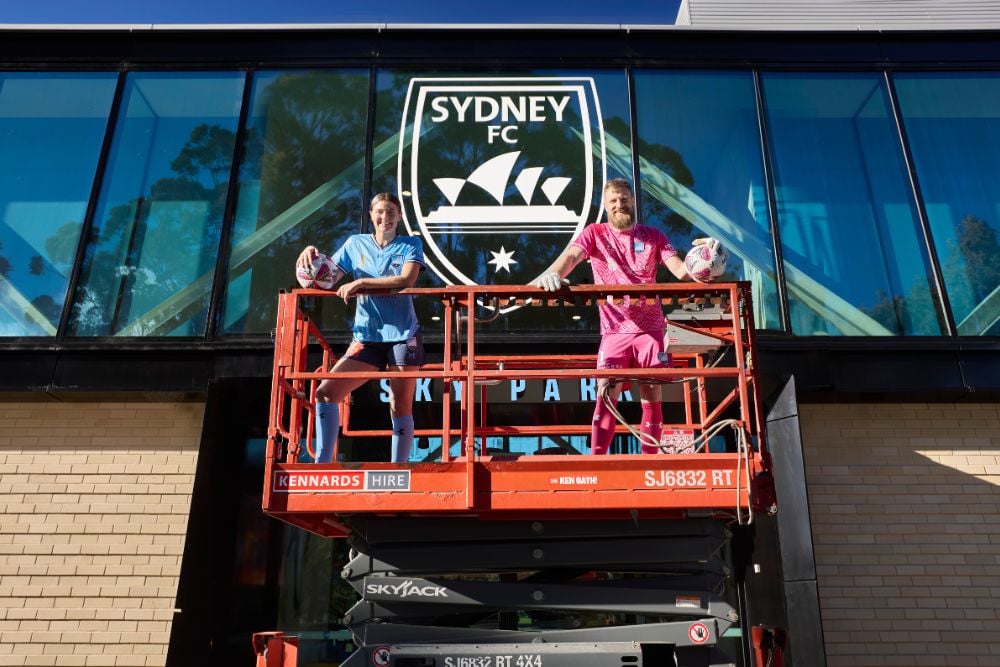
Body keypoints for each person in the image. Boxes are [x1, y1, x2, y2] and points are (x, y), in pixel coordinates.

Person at [533, 178, 708, 455]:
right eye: (613, 201)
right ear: (605, 206)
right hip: (614, 330)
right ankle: (598, 461)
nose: (619, 204)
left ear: (633, 201)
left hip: (650, 329)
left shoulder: (654, 235)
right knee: (606, 392)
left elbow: (681, 272)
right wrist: (553, 274)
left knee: (651, 395)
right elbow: (572, 256)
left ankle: (650, 462)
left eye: (624, 199)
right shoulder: (595, 233)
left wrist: (705, 259)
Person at [296, 192, 424, 464]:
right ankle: (322, 464)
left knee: (399, 404)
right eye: (380, 211)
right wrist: (311, 257)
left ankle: (397, 469)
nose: (385, 217)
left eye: (391, 212)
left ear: (400, 216)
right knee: (325, 393)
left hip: (403, 336)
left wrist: (361, 284)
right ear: (370, 215)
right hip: (367, 337)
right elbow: (329, 280)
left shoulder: (410, 244)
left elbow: (405, 280)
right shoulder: (355, 244)